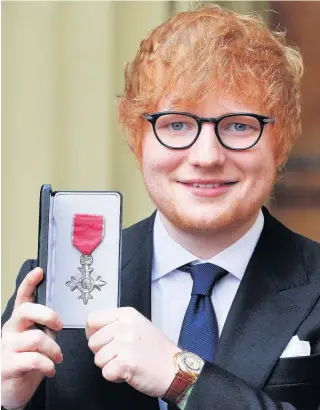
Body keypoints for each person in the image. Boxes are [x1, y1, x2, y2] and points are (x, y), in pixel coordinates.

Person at [2, 4, 319, 410]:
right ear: (138, 137)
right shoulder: (50, 286)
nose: (207, 156)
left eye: (239, 125)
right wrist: (7, 402)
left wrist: (182, 377)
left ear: (282, 140)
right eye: (176, 124)